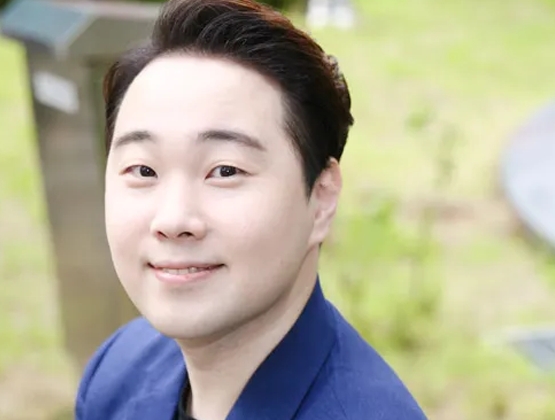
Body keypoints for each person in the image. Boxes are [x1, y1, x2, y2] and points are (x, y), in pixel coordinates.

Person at [75, 0, 427, 419]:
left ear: (321, 197)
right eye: (143, 170)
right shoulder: (118, 373)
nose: (173, 220)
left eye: (225, 171)